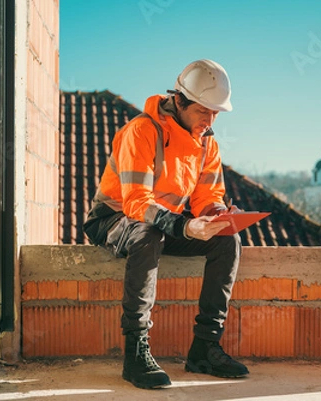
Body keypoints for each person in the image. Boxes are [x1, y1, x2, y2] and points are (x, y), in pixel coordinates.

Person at [83, 59, 248, 389]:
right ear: (181, 101)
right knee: (148, 233)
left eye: (216, 113)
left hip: (165, 224)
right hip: (114, 219)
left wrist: (216, 215)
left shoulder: (206, 143)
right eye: (204, 111)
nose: (210, 120)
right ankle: (135, 352)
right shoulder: (142, 131)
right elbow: (136, 204)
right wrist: (186, 228)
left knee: (228, 240)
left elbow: (207, 195)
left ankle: (205, 347)